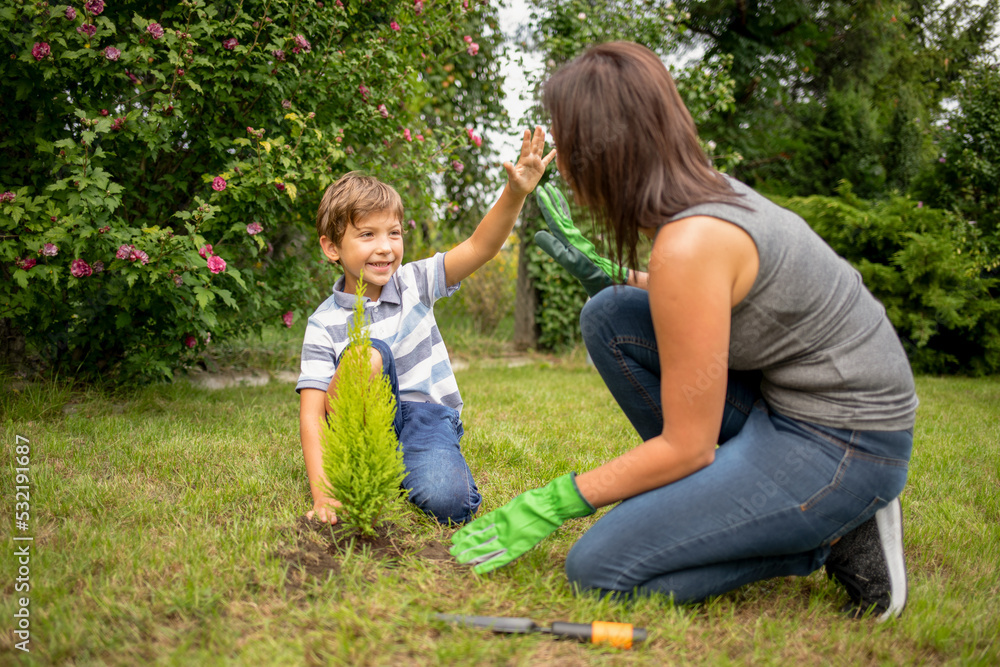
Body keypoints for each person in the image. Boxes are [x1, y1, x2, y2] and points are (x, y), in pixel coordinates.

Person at [450, 42, 917, 622]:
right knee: (610, 313)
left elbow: (687, 444)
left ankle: (825, 538)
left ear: (608, 149)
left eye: (568, 145)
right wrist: (612, 273)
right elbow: (704, 297)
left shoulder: (692, 240)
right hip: (787, 406)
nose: (562, 165)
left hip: (847, 442)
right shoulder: (701, 199)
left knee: (598, 570)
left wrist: (555, 500)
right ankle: (735, 500)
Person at [296, 127, 555, 526]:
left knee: (450, 504)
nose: (385, 247)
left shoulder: (416, 281)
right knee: (367, 352)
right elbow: (313, 413)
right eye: (367, 235)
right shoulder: (323, 323)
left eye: (394, 233)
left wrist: (515, 193)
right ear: (332, 247)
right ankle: (370, 463)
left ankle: (408, 468)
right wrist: (324, 495)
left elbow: (479, 247)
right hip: (359, 425)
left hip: (425, 418)